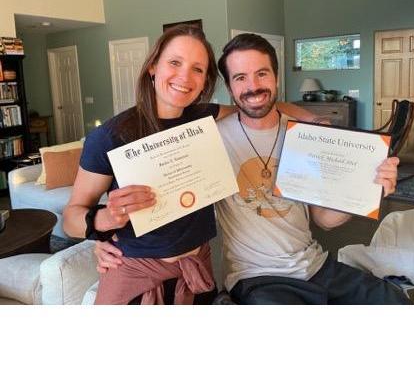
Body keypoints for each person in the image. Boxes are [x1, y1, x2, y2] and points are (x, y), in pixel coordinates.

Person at [95, 32, 409, 304]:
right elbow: (163, 191)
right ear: (230, 88)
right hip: (256, 278)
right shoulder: (206, 137)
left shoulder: (306, 137)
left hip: (315, 265)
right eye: (240, 78)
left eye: (262, 74)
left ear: (276, 77)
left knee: (395, 302)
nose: (253, 86)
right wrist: (106, 236)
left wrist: (368, 190)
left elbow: (325, 220)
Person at [63, 25, 320, 305]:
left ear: (204, 80)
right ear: (153, 66)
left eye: (197, 69)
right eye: (175, 62)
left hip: (197, 271)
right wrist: (103, 222)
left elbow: (260, 106)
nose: (185, 77)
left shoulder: (202, 117)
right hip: (135, 275)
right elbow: (71, 218)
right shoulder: (110, 136)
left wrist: (316, 122)